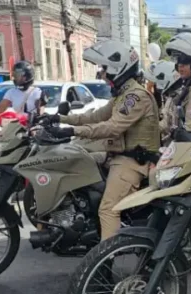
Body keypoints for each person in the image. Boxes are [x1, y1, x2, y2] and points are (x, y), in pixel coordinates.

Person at [39, 40, 161, 241]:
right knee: (73, 160)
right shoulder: (122, 95)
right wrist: (60, 119)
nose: (103, 74)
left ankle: (105, 262)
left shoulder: (136, 97)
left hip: (132, 162)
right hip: (116, 155)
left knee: (108, 209)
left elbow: (112, 127)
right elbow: (95, 117)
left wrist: (70, 131)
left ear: (117, 68)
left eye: (105, 69)